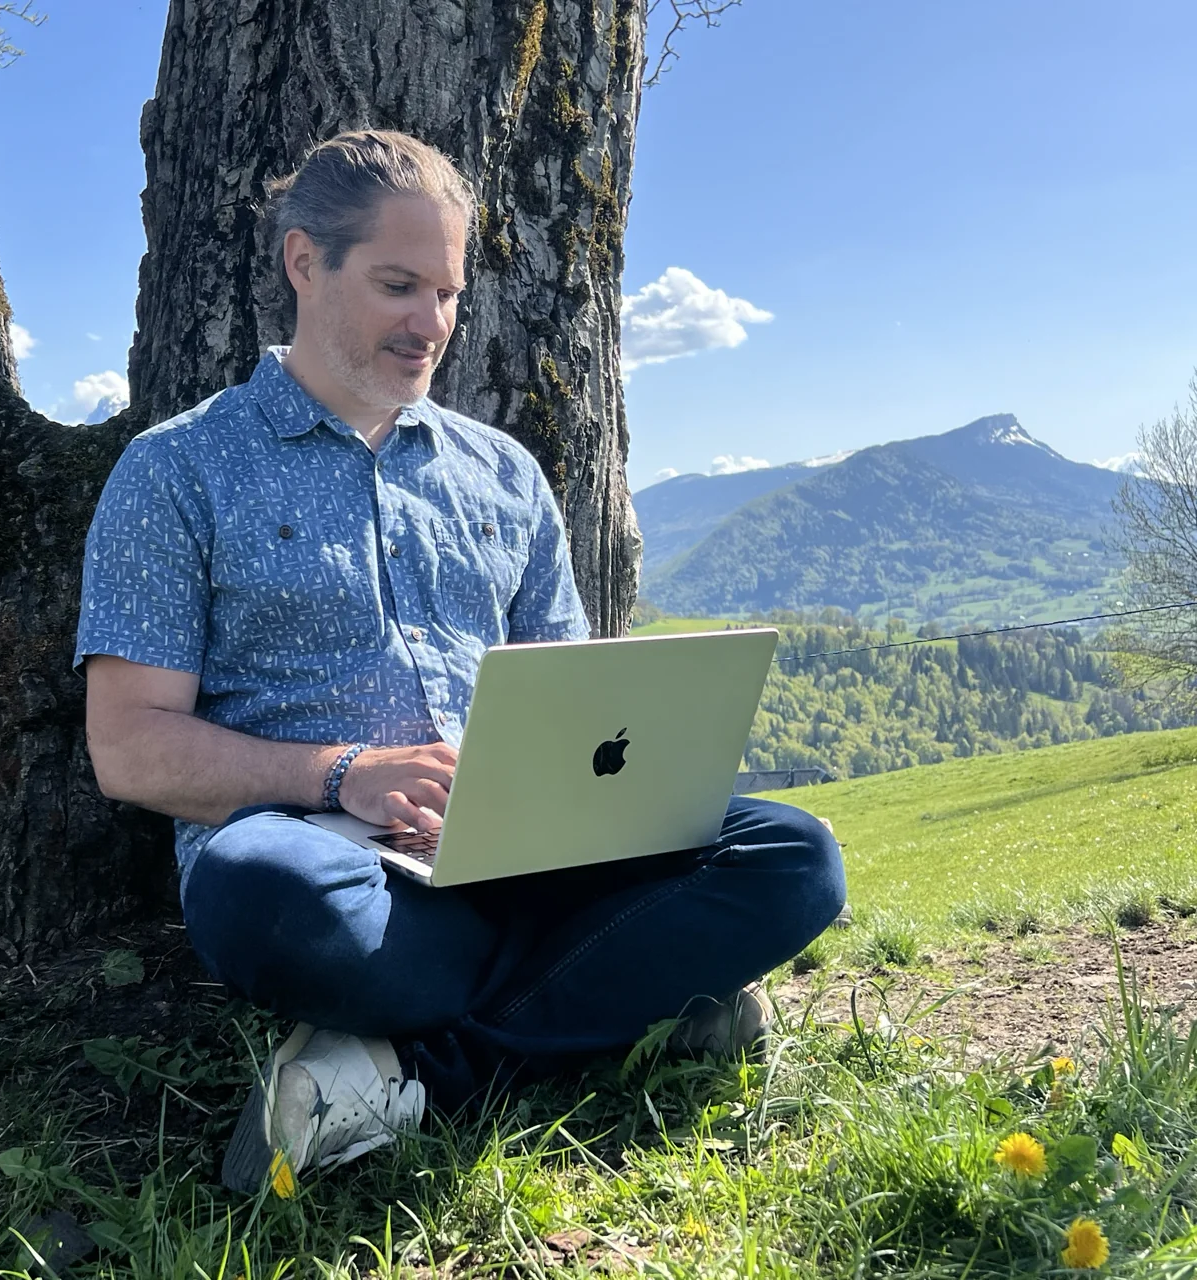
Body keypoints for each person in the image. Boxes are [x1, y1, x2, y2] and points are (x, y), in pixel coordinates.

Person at [74, 130, 846, 1198]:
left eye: (445, 291)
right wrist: (344, 774)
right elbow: (129, 746)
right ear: (305, 263)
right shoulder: (178, 470)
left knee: (794, 854)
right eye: (399, 285)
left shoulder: (502, 474)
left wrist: (523, 798)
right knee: (268, 894)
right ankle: (641, 989)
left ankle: (411, 1074)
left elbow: (574, 706)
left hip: (519, 850)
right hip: (335, 864)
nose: (430, 323)